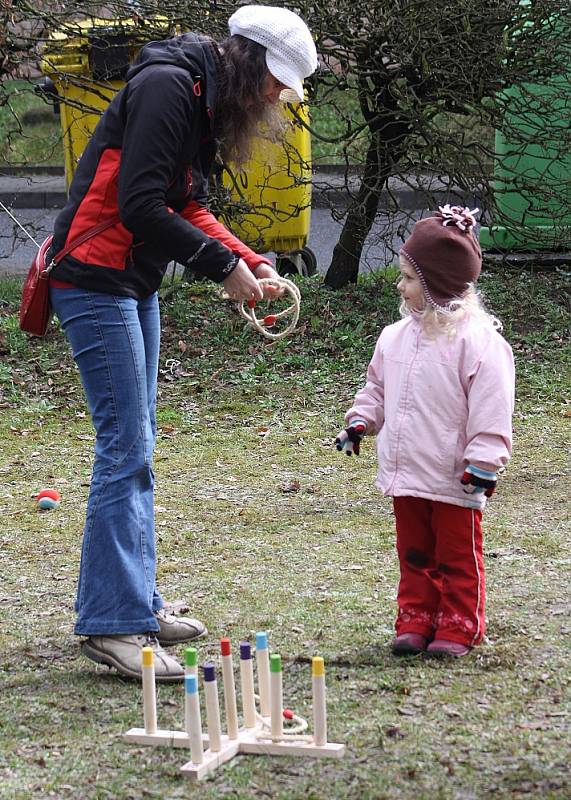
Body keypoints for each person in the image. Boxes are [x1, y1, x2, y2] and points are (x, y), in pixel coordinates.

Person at [47, 6, 318, 681]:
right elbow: (140, 205)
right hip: (93, 275)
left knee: (136, 442)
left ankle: (131, 602)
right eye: (273, 87)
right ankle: (112, 624)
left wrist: (248, 259)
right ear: (252, 65)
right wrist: (222, 270)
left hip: (129, 279)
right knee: (125, 446)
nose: (271, 102)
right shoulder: (171, 86)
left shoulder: (199, 93)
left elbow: (185, 205)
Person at [336, 205, 515, 658]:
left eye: (409, 278)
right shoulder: (394, 337)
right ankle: (416, 617)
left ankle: (459, 623)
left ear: (437, 284)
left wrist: (484, 462)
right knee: (414, 552)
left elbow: (492, 410)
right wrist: (360, 421)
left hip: (455, 476)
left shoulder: (480, 344)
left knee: (457, 555)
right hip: (408, 471)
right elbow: (377, 387)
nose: (400, 285)